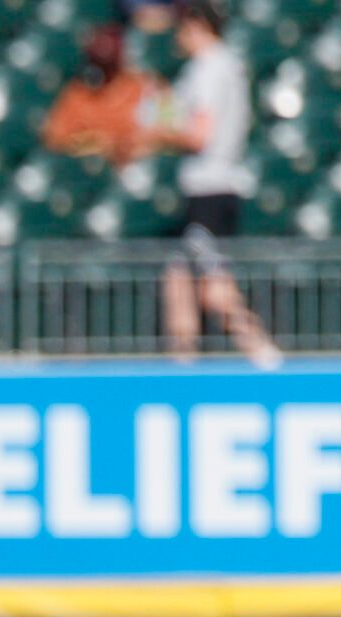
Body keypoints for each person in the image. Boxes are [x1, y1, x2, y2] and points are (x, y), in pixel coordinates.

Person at [142, 1, 276, 364]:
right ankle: (182, 359)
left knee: (214, 285)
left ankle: (261, 352)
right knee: (177, 275)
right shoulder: (219, 66)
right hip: (212, 186)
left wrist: (157, 130)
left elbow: (199, 133)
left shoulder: (209, 67)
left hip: (210, 187)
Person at [41, 24, 156, 166]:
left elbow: (167, 130)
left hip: (138, 168)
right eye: (98, 64)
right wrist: (95, 142)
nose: (104, 72)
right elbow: (54, 139)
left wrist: (125, 144)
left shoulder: (145, 87)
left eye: (109, 66)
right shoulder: (78, 93)